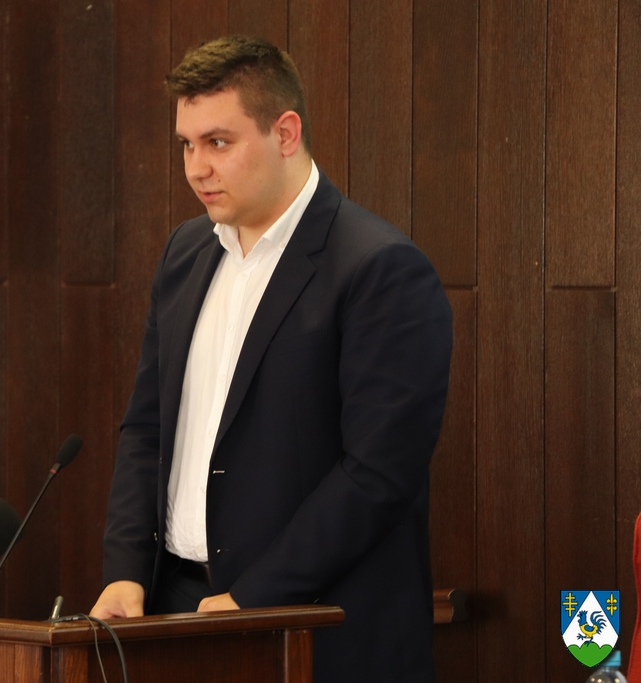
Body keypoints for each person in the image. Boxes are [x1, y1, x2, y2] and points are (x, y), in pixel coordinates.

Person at [89, 35, 452, 682]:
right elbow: (147, 428)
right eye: (186, 145)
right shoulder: (184, 254)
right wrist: (125, 570)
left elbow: (377, 472)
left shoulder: (379, 268)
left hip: (313, 625)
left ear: (285, 133)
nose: (196, 168)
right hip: (178, 610)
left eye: (218, 142)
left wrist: (253, 596)